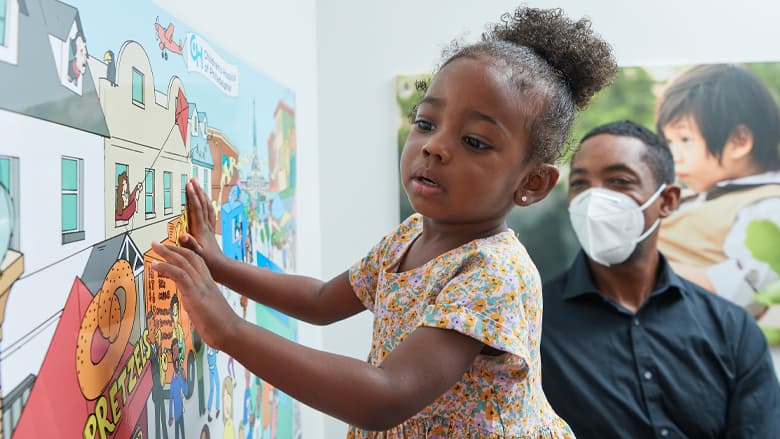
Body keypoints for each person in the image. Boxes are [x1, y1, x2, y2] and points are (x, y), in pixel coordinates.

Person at [150, 6, 616, 437]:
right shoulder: (409, 236)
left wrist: (230, 331)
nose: (433, 147)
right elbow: (318, 300)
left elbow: (387, 395)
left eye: (474, 141)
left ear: (532, 183)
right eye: (426, 123)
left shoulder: (496, 274)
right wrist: (218, 263)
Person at [540, 120, 780, 438]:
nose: (594, 202)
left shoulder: (730, 329)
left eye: (619, 181)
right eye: (581, 184)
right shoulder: (535, 324)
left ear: (667, 201)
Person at [655, 64, 780, 321]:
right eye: (669, 142)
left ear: (739, 142)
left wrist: (645, 268)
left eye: (685, 140)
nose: (673, 155)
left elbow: (744, 294)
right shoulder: (701, 193)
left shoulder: (767, 207)